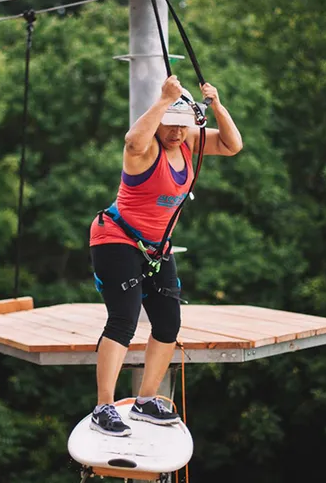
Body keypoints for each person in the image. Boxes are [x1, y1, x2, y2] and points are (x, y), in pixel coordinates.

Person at [88, 75, 243, 436]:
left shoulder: (188, 142)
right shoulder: (143, 150)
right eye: (170, 125)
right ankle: (103, 407)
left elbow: (233, 145)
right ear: (158, 121)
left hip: (157, 248)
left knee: (168, 324)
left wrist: (216, 104)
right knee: (124, 321)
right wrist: (162, 102)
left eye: (182, 125)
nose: (176, 133)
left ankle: (145, 401)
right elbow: (131, 139)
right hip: (117, 239)